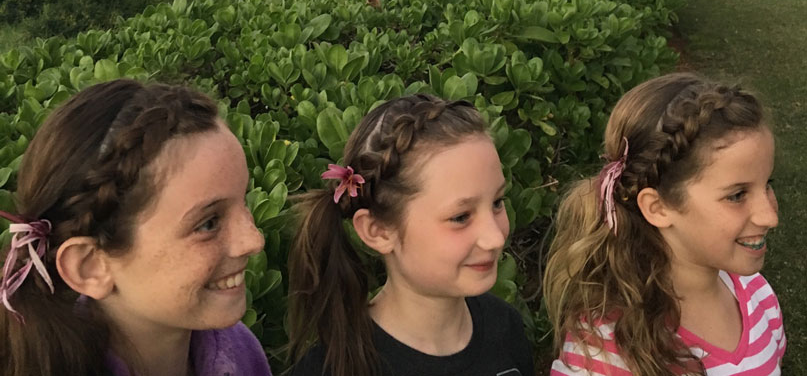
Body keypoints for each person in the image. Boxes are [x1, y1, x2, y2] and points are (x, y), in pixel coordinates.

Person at [0, 78, 272, 376]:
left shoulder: (238, 350)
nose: (253, 240)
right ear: (90, 266)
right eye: (208, 224)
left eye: (243, 200)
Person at [543, 72, 785, 376]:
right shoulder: (603, 354)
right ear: (658, 208)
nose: (770, 216)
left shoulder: (757, 296)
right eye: (737, 195)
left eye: (768, 185)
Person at [287, 92, 534, 376]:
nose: (495, 237)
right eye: (460, 217)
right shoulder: (333, 368)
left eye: (497, 203)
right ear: (378, 231)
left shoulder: (504, 327)